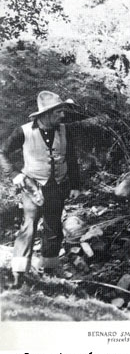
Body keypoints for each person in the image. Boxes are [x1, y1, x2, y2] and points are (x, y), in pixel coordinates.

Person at [0, 91, 81, 288]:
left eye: (62, 111)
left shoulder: (64, 130)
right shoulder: (23, 131)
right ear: (44, 114)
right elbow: (2, 152)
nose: (62, 115)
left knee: (53, 228)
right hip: (31, 187)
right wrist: (14, 175)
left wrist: (76, 185)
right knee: (28, 227)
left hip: (58, 186)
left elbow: (71, 157)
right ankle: (19, 275)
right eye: (57, 112)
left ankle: (49, 272)